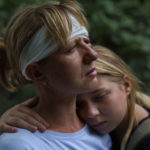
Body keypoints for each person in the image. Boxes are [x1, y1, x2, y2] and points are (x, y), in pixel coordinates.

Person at [0, 1, 112, 150]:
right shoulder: (20, 144)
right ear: (37, 73)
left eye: (86, 41)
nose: (93, 55)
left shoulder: (103, 124)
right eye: (71, 49)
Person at [1, 45, 150, 150]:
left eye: (100, 97)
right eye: (78, 104)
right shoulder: (110, 130)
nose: (91, 113)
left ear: (126, 85)